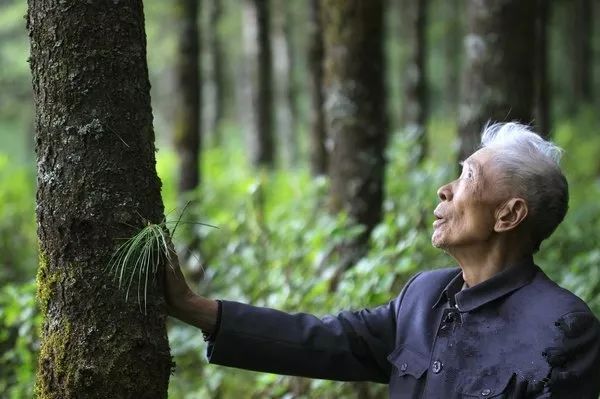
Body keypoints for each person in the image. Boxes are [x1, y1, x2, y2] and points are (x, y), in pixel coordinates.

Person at [165, 122, 600, 398]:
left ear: (509, 215)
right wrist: (196, 309)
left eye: (468, 176)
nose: (444, 189)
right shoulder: (423, 295)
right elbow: (325, 340)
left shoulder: (564, 328)